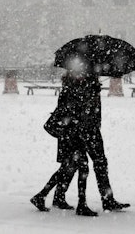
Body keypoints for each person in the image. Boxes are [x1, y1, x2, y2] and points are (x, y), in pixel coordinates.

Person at [30, 73, 96, 216]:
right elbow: (71, 113)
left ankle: (44, 196)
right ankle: (81, 204)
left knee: (67, 169)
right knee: (82, 168)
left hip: (70, 136)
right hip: (72, 136)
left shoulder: (71, 90)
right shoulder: (71, 91)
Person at [68, 74, 130, 211]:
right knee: (92, 164)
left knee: (94, 164)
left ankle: (104, 199)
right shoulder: (84, 84)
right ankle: (99, 200)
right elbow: (82, 108)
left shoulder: (84, 82)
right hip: (86, 129)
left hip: (87, 128)